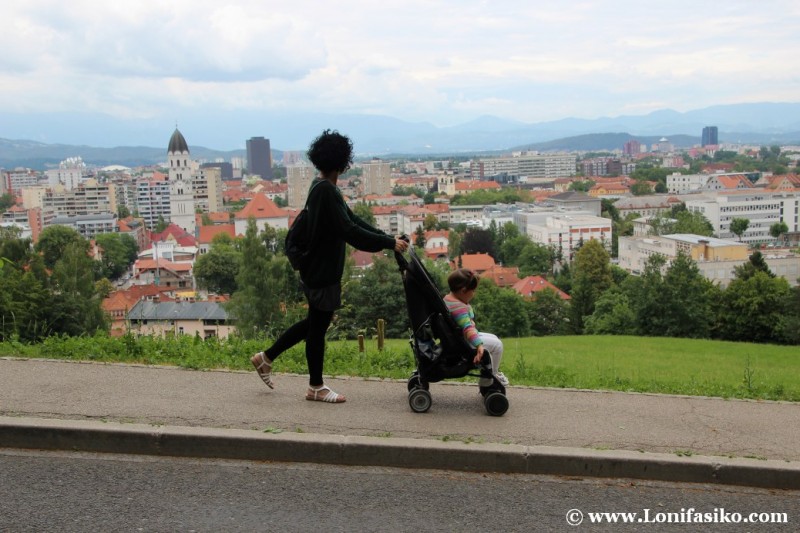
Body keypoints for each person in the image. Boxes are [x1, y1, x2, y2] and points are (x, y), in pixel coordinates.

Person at [251, 129, 408, 403]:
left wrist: (388, 239)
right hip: (321, 271)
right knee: (317, 328)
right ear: (343, 163)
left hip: (316, 268)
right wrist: (388, 244)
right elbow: (349, 230)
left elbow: (353, 221)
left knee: (314, 322)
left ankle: (266, 358)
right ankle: (315, 386)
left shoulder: (321, 186)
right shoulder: (326, 191)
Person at [443, 268, 509, 387]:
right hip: (465, 342)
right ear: (463, 290)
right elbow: (467, 328)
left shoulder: (448, 299)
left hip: (459, 338)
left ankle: (492, 373)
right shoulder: (459, 309)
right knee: (497, 345)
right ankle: (492, 377)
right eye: (473, 291)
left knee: (494, 338)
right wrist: (479, 345)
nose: (474, 294)